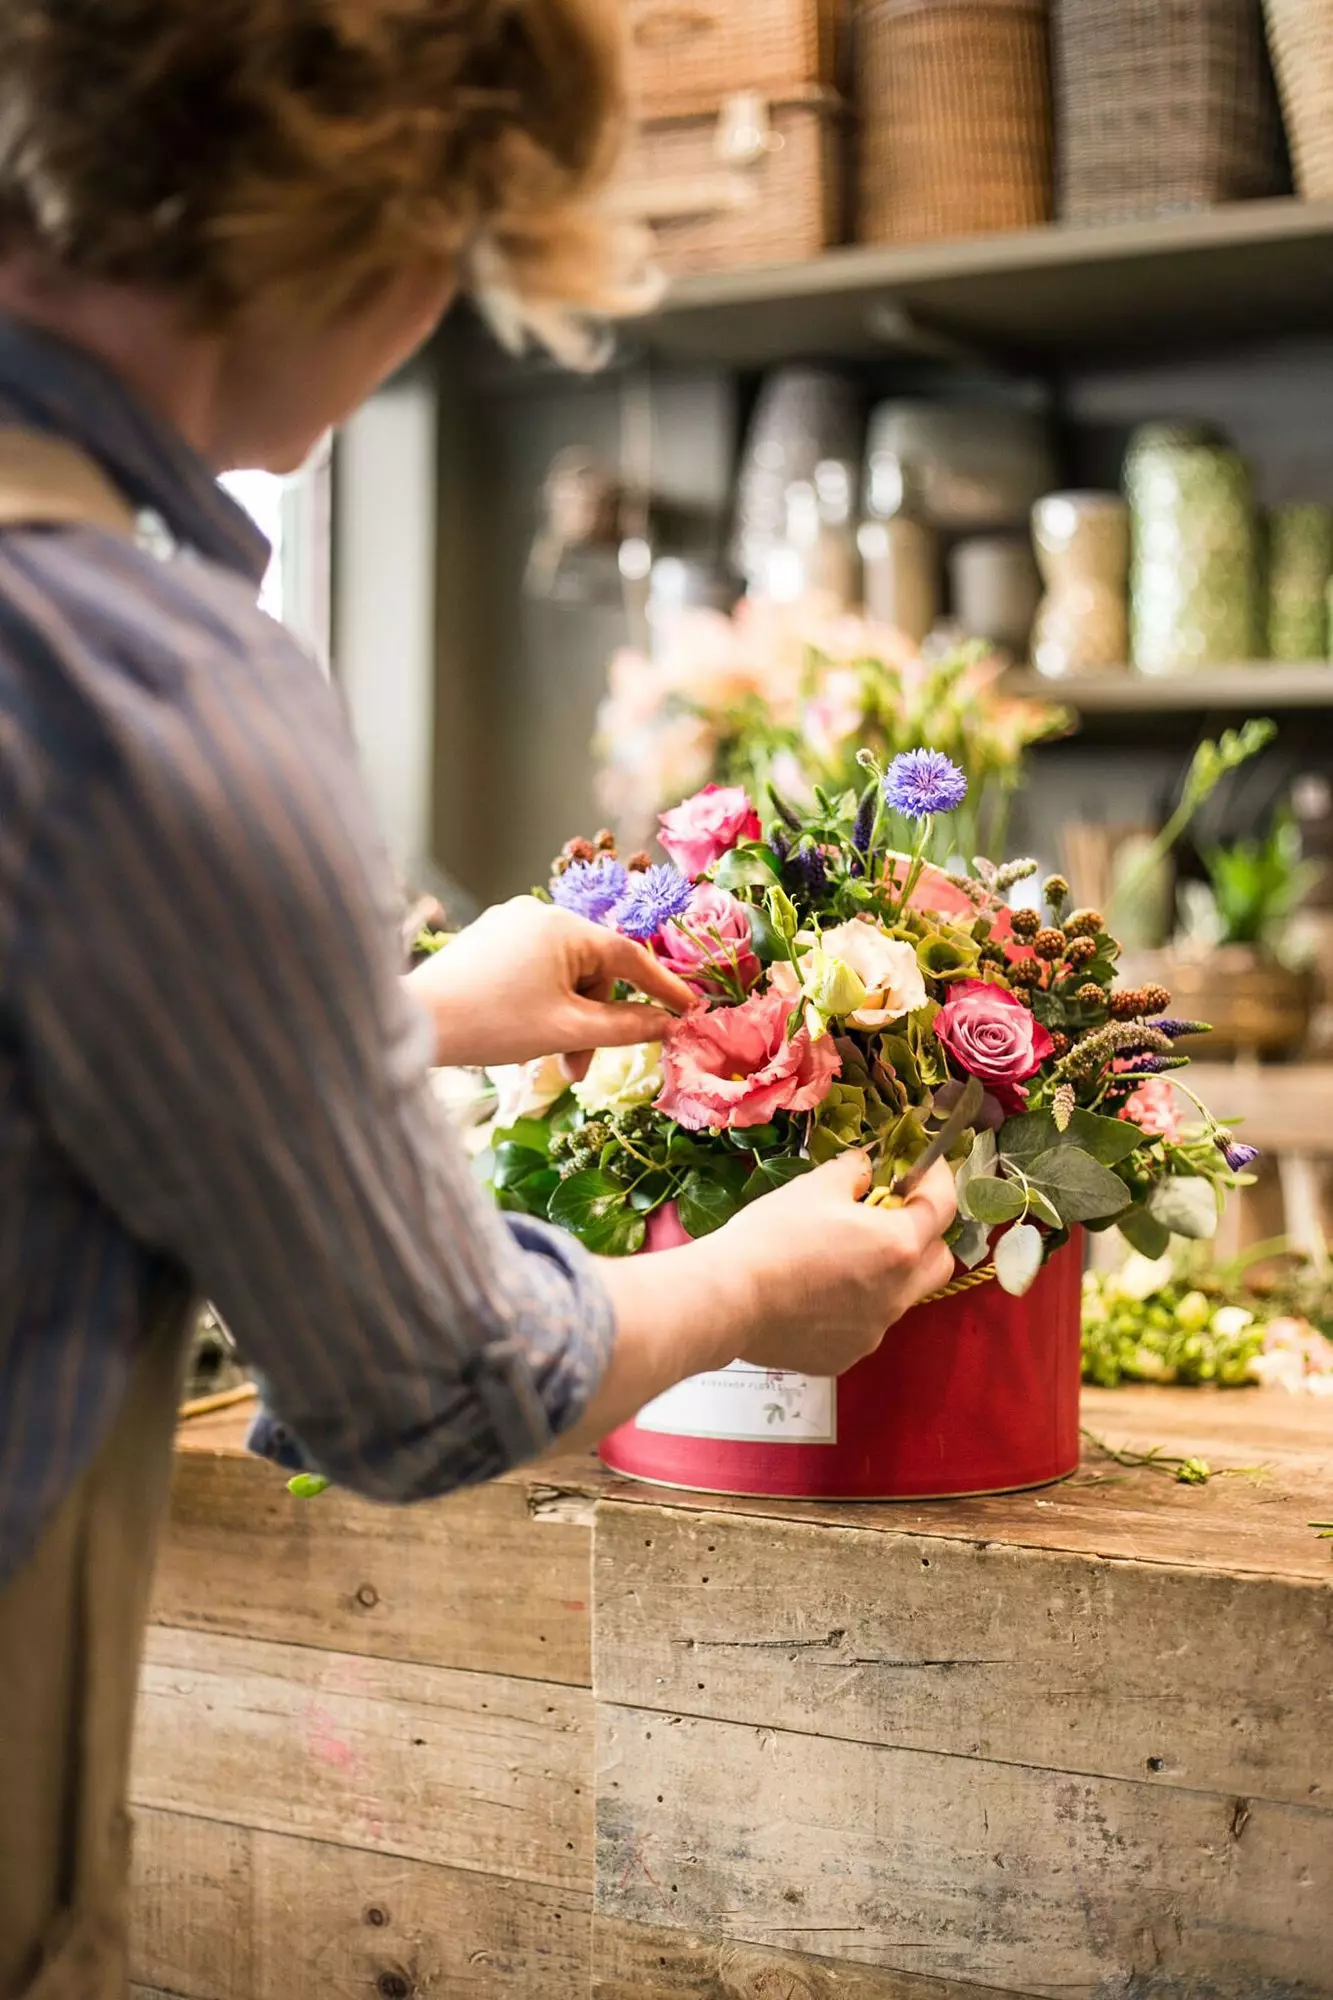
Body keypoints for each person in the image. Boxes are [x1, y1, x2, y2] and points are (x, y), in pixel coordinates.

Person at [0, 2, 956, 1991]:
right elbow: (426, 1384)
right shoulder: (146, 689)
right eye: (457, 246)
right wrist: (751, 1285)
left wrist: (402, 1009)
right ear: (371, 220)